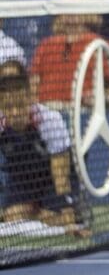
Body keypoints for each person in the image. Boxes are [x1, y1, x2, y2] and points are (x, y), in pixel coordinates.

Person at [0, 60, 81, 234]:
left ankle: (47, 209)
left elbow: (61, 176)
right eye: (8, 107)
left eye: (20, 106)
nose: (14, 113)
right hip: (22, 179)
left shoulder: (50, 120)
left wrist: (68, 216)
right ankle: (35, 210)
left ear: (30, 98)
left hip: (52, 179)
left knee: (58, 220)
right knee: (12, 217)